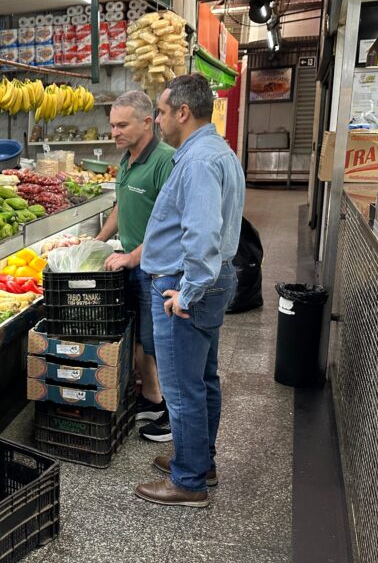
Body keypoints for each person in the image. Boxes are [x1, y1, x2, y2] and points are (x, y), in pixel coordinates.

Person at [136, 74, 245, 508]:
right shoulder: (218, 152)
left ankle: (188, 481)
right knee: (203, 379)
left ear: (183, 112)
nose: (158, 120)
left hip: (187, 285)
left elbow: (202, 235)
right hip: (209, 279)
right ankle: (200, 460)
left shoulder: (198, 162)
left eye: (161, 112)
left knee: (182, 388)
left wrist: (187, 292)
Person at [93, 90, 174, 442]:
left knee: (157, 341)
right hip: (132, 264)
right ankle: (151, 398)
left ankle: (167, 410)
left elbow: (171, 223)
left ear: (147, 122)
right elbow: (121, 206)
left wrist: (132, 256)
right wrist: (96, 241)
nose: (115, 132)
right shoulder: (126, 160)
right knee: (140, 336)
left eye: (122, 124)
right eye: (112, 125)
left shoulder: (165, 162)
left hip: (156, 268)